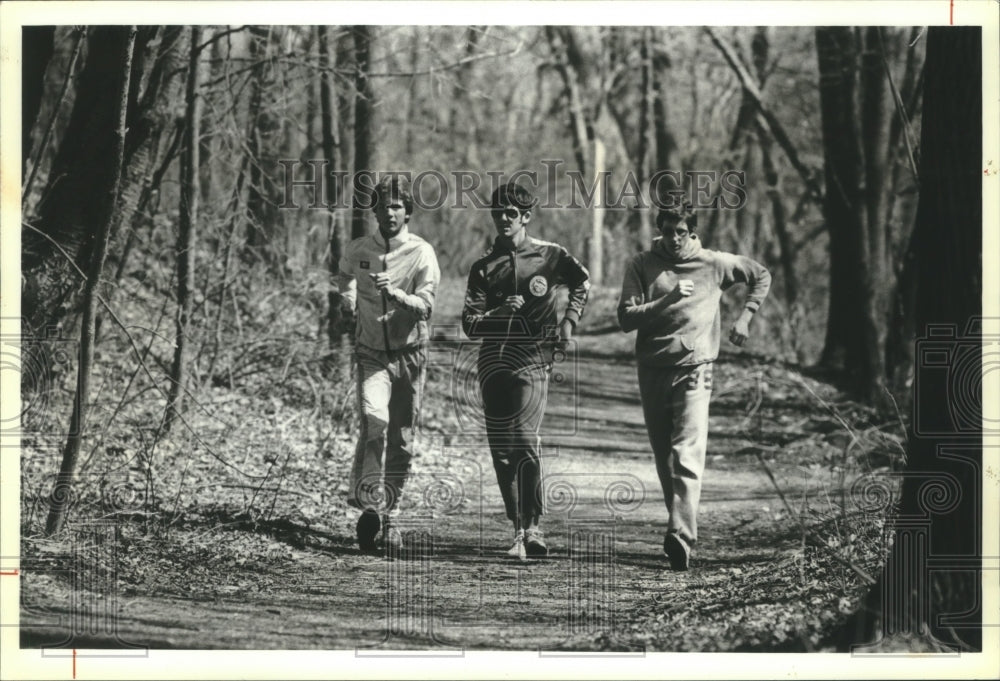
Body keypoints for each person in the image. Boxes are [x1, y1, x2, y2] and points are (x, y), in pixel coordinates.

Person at [617, 201, 771, 571]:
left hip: (696, 367)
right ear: (661, 228)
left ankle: (681, 535)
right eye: (668, 231)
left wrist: (745, 318)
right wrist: (666, 299)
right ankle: (679, 526)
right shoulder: (642, 264)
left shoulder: (713, 263)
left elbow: (760, 274)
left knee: (687, 450)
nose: (673, 239)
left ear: (692, 231)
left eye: (681, 232)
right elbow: (625, 318)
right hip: (653, 366)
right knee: (663, 455)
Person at [462, 181, 590, 560]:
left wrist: (568, 323)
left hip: (533, 359)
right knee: (501, 450)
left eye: (511, 214)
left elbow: (581, 282)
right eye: (498, 213)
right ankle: (518, 529)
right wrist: (497, 314)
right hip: (493, 363)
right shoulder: (484, 267)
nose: (504, 219)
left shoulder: (550, 256)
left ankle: (534, 525)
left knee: (523, 437)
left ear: (526, 217)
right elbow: (469, 324)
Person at [335, 174, 441, 556]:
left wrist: (395, 294)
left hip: (410, 353)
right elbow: (344, 274)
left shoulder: (421, 252)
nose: (389, 212)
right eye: (383, 205)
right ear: (375, 211)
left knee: (402, 438)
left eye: (397, 205)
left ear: (408, 212)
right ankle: (369, 508)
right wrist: (347, 300)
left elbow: (427, 305)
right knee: (372, 421)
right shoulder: (360, 248)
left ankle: (392, 513)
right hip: (371, 353)